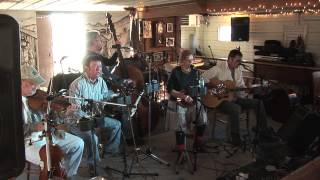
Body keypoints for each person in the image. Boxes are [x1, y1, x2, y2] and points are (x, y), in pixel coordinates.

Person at [201, 49, 276, 146]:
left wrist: (247, 90)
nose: (239, 63)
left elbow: (240, 89)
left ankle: (263, 131)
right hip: (218, 101)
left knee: (258, 103)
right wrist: (219, 84)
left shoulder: (238, 71)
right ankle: (235, 138)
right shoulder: (218, 68)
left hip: (233, 98)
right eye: (237, 61)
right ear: (230, 59)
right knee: (236, 108)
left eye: (240, 61)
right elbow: (201, 77)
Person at [21, 65, 84, 179]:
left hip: (49, 135)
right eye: (31, 83)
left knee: (78, 143)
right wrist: (35, 127)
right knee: (49, 156)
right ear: (20, 82)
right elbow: (13, 131)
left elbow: (53, 120)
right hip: (28, 142)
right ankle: (55, 172)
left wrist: (64, 114)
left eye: (36, 83)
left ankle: (67, 174)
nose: (35, 86)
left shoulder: (40, 98)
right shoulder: (12, 103)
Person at [68, 54, 122, 175]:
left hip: (95, 118)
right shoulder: (77, 84)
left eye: (100, 67)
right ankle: (94, 165)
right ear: (86, 68)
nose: (99, 69)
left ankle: (108, 152)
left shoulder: (101, 81)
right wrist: (91, 120)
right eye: (95, 67)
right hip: (79, 121)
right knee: (93, 138)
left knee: (117, 125)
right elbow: (75, 110)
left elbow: (104, 97)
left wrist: (112, 96)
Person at [167, 49, 207, 150]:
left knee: (203, 117)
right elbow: (170, 90)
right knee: (180, 124)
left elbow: (198, 88)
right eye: (189, 60)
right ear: (182, 61)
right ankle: (181, 150)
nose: (191, 62)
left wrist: (202, 91)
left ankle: (198, 143)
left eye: (192, 60)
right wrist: (183, 96)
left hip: (192, 100)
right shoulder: (176, 72)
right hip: (178, 101)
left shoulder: (195, 72)